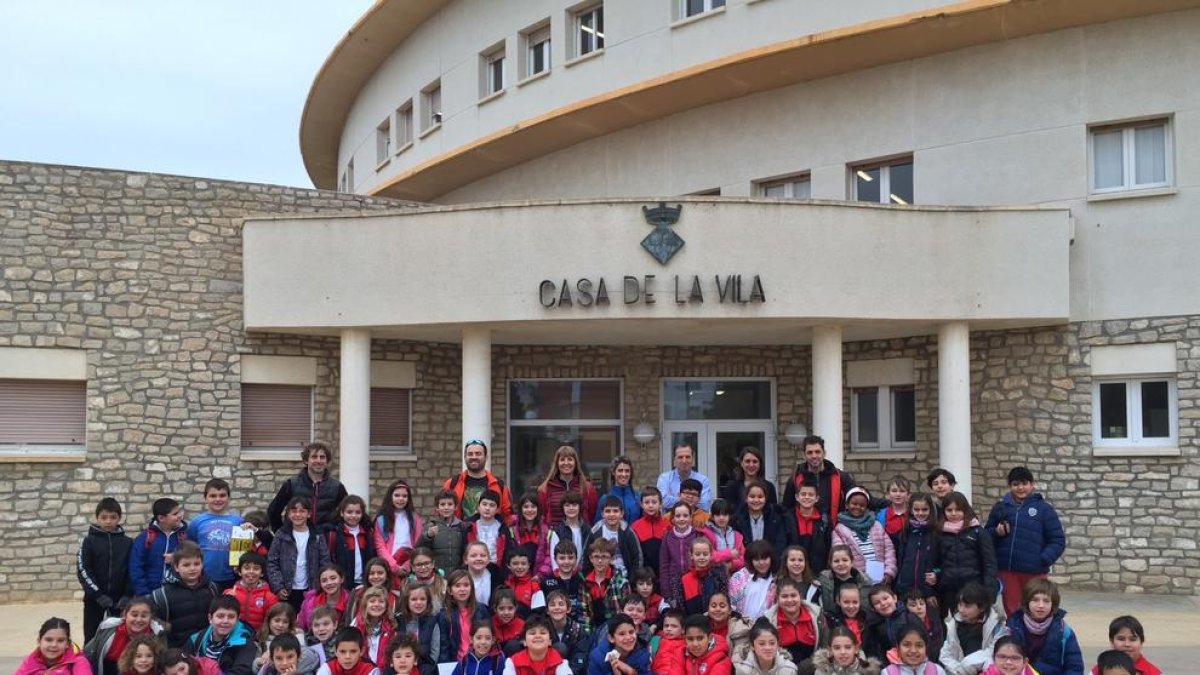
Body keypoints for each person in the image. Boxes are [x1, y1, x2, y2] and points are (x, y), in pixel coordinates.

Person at [985, 466, 1066, 615]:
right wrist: (996, 532)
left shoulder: (1044, 509)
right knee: (1013, 611)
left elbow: (1057, 539)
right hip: (1008, 571)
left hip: (1034, 572)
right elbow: (985, 536)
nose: (1020, 488)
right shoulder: (1000, 508)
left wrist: (1043, 559)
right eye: (1015, 484)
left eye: (1024, 483)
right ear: (1010, 486)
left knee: (1036, 609)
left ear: (1032, 484)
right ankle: (1015, 631)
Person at [78, 497, 134, 642]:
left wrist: (127, 595)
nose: (108, 521)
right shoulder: (88, 542)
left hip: (119, 601)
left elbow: (132, 570)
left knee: (119, 638)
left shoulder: (128, 543)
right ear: (97, 518)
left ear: (119, 518)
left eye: (113, 517)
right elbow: (83, 569)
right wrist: (98, 595)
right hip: (94, 600)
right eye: (104, 517)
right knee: (91, 638)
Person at [935, 493, 998, 615]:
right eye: (949, 510)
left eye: (958, 510)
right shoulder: (939, 533)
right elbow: (935, 562)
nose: (953, 513)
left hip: (974, 588)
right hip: (948, 590)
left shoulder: (978, 532)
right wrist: (938, 576)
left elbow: (989, 564)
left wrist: (990, 592)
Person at [1004, 578, 1082, 675]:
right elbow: (1000, 662)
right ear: (1027, 602)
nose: (1041, 605)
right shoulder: (1011, 628)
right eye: (1035, 600)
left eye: (1046, 601)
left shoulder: (1064, 631)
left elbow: (1074, 667)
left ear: (1053, 604)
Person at [267, 498, 333, 614]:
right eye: (294, 511)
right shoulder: (281, 535)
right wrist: (278, 586)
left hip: (311, 589)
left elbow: (324, 561)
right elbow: (272, 562)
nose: (298, 514)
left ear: (309, 514)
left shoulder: (317, 535)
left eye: (302, 511)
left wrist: (320, 585)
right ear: (288, 514)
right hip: (287, 589)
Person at [267, 442, 349, 533]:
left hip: (324, 538)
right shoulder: (291, 484)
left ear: (327, 461)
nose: (318, 461)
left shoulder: (337, 487)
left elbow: (347, 512)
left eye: (322, 457)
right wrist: (282, 532)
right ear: (306, 461)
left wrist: (336, 531)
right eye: (314, 457)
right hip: (295, 537)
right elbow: (273, 511)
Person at [150, 541, 219, 648]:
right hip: (176, 650)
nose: (192, 568)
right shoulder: (162, 595)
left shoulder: (212, 589)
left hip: (206, 647)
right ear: (176, 567)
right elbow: (153, 622)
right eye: (186, 565)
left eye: (197, 564)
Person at [780, 436, 854, 524]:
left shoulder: (841, 477)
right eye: (810, 453)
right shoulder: (794, 479)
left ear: (824, 453)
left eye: (817, 452)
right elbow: (786, 510)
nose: (814, 456)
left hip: (835, 529)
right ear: (804, 455)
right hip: (804, 530)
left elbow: (856, 499)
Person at [82, 596, 165, 675]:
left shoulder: (157, 636)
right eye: (134, 615)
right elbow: (87, 655)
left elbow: (164, 664)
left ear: (151, 618)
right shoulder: (108, 629)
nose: (138, 619)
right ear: (125, 615)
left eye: (144, 616)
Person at [830, 487, 895, 585]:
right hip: (855, 580)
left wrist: (889, 572)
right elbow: (840, 554)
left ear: (867, 507)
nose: (858, 507)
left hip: (880, 578)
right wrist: (851, 575)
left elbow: (889, 550)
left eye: (862, 505)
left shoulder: (876, 525)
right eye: (854, 504)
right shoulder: (840, 529)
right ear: (847, 505)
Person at [188, 478, 242, 592]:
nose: (218, 499)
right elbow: (190, 549)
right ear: (205, 498)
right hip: (204, 577)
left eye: (222, 495)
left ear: (228, 497)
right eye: (213, 496)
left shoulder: (238, 521)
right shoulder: (196, 522)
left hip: (232, 576)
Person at [939, 583, 1005, 675]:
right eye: (960, 605)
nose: (961, 610)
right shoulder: (954, 625)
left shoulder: (995, 626)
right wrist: (959, 670)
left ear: (982, 607)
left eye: (967, 606)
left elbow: (995, 652)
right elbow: (945, 655)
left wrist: (968, 664)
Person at [182, 596, 257, 675]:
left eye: (231, 617)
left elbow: (242, 671)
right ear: (210, 618)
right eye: (220, 616)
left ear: (237, 619)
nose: (225, 621)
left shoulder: (244, 643)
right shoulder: (196, 639)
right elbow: (183, 661)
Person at [129, 497, 187, 597]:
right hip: (150, 592)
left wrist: (176, 558)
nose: (179, 516)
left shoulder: (184, 536)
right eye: (175, 514)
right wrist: (144, 594)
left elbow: (193, 558)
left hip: (177, 593)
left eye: (179, 512)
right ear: (161, 518)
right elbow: (136, 567)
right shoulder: (145, 538)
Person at [443, 440, 514, 521]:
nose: (474, 457)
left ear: (486, 457)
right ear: (465, 457)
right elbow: (441, 511)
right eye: (470, 454)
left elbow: (508, 515)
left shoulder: (499, 485)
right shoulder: (452, 483)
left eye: (478, 454)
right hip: (458, 529)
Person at [538, 445, 599, 529]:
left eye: (570, 459)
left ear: (575, 463)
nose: (566, 463)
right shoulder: (545, 489)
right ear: (557, 463)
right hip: (554, 534)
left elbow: (591, 515)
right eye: (562, 459)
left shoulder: (588, 488)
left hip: (580, 534)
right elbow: (543, 516)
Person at [893, 494, 939, 606]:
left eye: (925, 509)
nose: (920, 513)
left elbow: (941, 563)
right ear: (911, 510)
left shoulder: (936, 534)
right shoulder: (905, 532)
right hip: (905, 590)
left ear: (931, 510)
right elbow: (899, 561)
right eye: (916, 510)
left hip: (927, 592)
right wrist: (898, 585)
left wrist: (937, 574)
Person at [582, 495, 643, 577]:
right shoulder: (595, 532)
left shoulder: (627, 532)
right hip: (601, 578)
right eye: (608, 511)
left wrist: (633, 579)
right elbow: (586, 556)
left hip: (624, 577)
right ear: (602, 514)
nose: (611, 514)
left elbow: (637, 557)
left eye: (615, 511)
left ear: (622, 513)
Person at [763, 579, 821, 664]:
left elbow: (823, 648)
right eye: (784, 596)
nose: (789, 600)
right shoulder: (768, 621)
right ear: (777, 598)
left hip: (813, 665)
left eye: (793, 596)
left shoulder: (817, 616)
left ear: (800, 596)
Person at [397, 583, 452, 673]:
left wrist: (426, 669)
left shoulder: (432, 622)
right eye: (414, 599)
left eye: (422, 599)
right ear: (407, 601)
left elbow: (434, 653)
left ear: (428, 601)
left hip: (425, 670)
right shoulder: (399, 621)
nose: (418, 602)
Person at [374, 480, 424, 576]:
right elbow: (380, 546)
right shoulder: (381, 520)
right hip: (388, 566)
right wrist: (394, 566)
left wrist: (408, 564)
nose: (401, 499)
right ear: (390, 497)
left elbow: (418, 543)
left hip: (410, 566)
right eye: (397, 495)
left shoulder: (414, 518)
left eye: (404, 496)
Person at [540, 541, 591, 632]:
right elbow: (543, 610)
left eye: (570, 558)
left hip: (576, 627)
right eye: (562, 558)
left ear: (576, 559)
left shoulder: (581, 580)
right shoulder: (547, 582)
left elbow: (585, 610)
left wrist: (584, 631)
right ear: (555, 559)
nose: (566, 562)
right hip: (552, 627)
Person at [781, 481, 830, 576]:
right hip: (792, 572)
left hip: (818, 572)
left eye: (811, 495)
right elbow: (783, 546)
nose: (807, 497)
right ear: (797, 497)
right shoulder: (787, 518)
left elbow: (828, 546)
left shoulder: (825, 520)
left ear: (817, 498)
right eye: (803, 494)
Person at [328, 495, 376, 590]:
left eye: (358, 512)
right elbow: (331, 560)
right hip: (343, 585)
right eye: (349, 512)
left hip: (365, 583)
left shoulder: (368, 533)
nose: (353, 516)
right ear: (342, 513)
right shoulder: (334, 534)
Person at [659, 502, 702, 608]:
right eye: (678, 516)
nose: (681, 519)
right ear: (673, 518)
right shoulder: (668, 537)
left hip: (694, 582)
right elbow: (664, 566)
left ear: (690, 517)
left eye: (685, 515)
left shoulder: (697, 535)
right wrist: (666, 592)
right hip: (674, 584)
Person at [223, 551, 277, 633]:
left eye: (256, 568)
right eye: (247, 568)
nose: (251, 571)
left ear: (262, 573)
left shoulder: (270, 597)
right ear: (239, 571)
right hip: (234, 634)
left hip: (259, 636)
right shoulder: (228, 593)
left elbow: (271, 623)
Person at [16, 618, 93, 675]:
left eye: (60, 640)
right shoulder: (30, 660)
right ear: (39, 642)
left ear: (67, 644)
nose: (54, 645)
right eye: (48, 640)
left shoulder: (78, 662)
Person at [445, 569, 492, 662]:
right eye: (457, 585)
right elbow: (444, 645)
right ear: (450, 591)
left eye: (466, 585)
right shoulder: (444, 614)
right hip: (455, 662)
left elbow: (488, 637)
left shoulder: (481, 610)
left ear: (471, 589)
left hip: (478, 659)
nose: (462, 589)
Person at [418, 490, 469, 574]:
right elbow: (420, 550)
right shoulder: (431, 526)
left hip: (457, 575)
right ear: (437, 508)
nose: (446, 507)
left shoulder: (462, 526)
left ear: (456, 507)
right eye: (442, 504)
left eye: (450, 504)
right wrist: (428, 536)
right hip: (437, 574)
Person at [1089, 616, 1161, 675]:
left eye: (1133, 639)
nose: (1127, 644)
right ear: (1112, 641)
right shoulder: (1099, 670)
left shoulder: (1153, 672)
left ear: (1141, 642)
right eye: (1121, 639)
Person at [731, 481, 788, 555]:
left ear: (765, 499)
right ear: (746, 498)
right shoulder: (736, 520)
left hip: (770, 560)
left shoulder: (775, 519)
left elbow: (780, 545)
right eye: (752, 496)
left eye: (760, 497)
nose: (756, 500)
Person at [582, 538, 630, 628]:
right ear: (591, 559)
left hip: (617, 627)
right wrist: (587, 632)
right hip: (595, 628)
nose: (600, 561)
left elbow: (627, 612)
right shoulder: (586, 583)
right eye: (596, 557)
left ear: (611, 559)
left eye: (604, 557)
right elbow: (585, 613)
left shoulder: (621, 582)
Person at [502, 615, 572, 675]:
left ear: (550, 641)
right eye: (532, 633)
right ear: (524, 641)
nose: (538, 636)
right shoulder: (512, 663)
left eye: (543, 633)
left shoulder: (560, 662)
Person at [862, 585, 915, 662]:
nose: (883, 603)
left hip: (912, 659)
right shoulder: (873, 626)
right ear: (874, 609)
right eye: (877, 602)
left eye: (885, 598)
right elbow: (873, 650)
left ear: (894, 598)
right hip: (888, 664)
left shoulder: (909, 617)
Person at [349, 587, 398, 669]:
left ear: (386, 605)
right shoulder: (356, 624)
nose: (377, 604)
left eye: (381, 601)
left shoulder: (392, 625)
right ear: (365, 604)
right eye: (372, 601)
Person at [586, 613, 651, 675]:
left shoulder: (643, 654)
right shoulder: (598, 657)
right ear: (611, 638)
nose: (628, 637)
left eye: (631, 632)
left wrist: (631, 672)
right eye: (622, 634)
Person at [543, 590, 589, 675]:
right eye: (552, 605)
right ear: (547, 610)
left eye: (561, 604)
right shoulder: (542, 630)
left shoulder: (577, 629)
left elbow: (580, 654)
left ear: (568, 609)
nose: (557, 608)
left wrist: (569, 672)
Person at [656, 444, 713, 511]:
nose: (684, 461)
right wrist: (692, 499)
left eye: (687, 457)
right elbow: (662, 501)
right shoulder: (664, 478)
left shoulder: (703, 480)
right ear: (674, 460)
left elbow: (705, 505)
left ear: (693, 460)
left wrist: (677, 499)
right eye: (680, 457)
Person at [680, 538, 729, 616]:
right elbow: (682, 608)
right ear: (691, 556)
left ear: (711, 555)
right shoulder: (684, 579)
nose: (702, 557)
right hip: (693, 620)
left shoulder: (718, 577)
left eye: (705, 554)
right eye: (697, 554)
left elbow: (724, 601)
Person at [729, 540, 776, 620]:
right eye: (757, 559)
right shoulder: (739, 578)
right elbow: (731, 605)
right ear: (750, 561)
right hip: (741, 624)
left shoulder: (776, 581)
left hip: (766, 624)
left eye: (765, 558)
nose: (761, 563)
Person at [542, 492, 587, 577]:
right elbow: (554, 557)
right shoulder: (557, 531)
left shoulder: (587, 530)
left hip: (583, 575)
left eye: (574, 505)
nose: (571, 508)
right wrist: (558, 575)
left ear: (579, 507)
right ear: (562, 508)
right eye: (567, 505)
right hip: (563, 575)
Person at [802, 625, 878, 675]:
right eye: (837, 648)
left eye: (848, 647)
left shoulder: (869, 671)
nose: (843, 652)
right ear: (830, 650)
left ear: (856, 649)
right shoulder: (822, 672)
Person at [629, 487, 668, 578]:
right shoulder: (635, 526)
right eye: (646, 502)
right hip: (643, 575)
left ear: (660, 504)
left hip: (663, 573)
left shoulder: (668, 525)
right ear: (641, 504)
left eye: (654, 502)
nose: (650, 505)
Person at [298, 564, 350, 631]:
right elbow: (300, 627)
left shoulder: (351, 602)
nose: (329, 583)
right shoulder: (310, 602)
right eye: (324, 580)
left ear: (342, 579)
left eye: (333, 578)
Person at [594, 456, 641, 525]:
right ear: (613, 472)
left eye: (627, 471)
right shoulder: (605, 499)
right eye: (620, 470)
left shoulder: (637, 497)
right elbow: (598, 525)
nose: (624, 474)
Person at [256, 604, 302, 672]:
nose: (280, 625)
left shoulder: (297, 636)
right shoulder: (261, 638)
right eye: (277, 621)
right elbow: (254, 668)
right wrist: (258, 662)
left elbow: (306, 658)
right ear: (269, 621)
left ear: (290, 624)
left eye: (285, 622)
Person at [315, 627, 379, 675]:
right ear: (335, 651)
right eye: (342, 651)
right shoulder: (328, 667)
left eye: (353, 651)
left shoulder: (370, 670)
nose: (347, 656)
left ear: (361, 651)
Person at [705, 499, 745, 573]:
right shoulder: (706, 534)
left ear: (729, 516)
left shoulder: (736, 535)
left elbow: (744, 558)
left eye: (725, 515)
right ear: (712, 517)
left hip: (734, 574)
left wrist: (731, 565)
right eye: (718, 515)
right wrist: (729, 554)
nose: (721, 518)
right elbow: (707, 555)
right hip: (713, 574)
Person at [505, 547, 545, 618]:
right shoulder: (505, 585)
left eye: (523, 564)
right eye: (515, 564)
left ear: (529, 565)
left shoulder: (534, 586)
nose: (519, 567)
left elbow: (539, 612)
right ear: (508, 565)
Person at [876, 475, 912, 552]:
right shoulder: (880, 516)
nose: (898, 494)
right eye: (894, 491)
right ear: (887, 494)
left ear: (908, 495)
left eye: (902, 491)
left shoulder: (913, 515)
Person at [491, 589, 525, 657]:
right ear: (495, 609)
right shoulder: (489, 625)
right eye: (501, 608)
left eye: (510, 608)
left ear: (515, 608)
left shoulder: (523, 625)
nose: (506, 613)